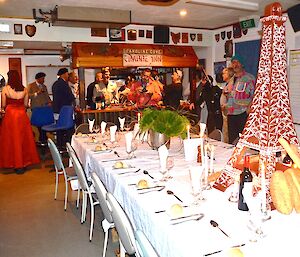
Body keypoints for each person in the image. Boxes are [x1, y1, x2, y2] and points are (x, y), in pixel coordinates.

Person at [0, 70, 40, 174]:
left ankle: (12, 163)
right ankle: (23, 163)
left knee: (11, 140)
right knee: (23, 139)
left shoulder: (5, 89)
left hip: (10, 116)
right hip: (21, 115)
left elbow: (3, 105)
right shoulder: (25, 90)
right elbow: (26, 105)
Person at [226, 55, 255, 144]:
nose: (235, 65)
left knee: (243, 141)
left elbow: (255, 96)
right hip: (231, 114)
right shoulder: (231, 79)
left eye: (237, 62)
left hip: (242, 114)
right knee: (232, 141)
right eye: (233, 62)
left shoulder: (249, 78)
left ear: (242, 64)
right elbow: (231, 95)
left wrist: (249, 109)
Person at [52, 68, 75, 150]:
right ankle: (67, 146)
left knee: (59, 129)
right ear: (64, 74)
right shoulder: (64, 84)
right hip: (64, 110)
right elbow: (70, 97)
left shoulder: (55, 84)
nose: (68, 76)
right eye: (67, 74)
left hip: (56, 109)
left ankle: (59, 146)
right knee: (68, 129)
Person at [27, 72, 51, 144]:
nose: (43, 80)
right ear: (38, 79)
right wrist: (37, 93)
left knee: (44, 123)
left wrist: (49, 102)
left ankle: (43, 138)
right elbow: (28, 95)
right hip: (36, 107)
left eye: (44, 78)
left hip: (44, 107)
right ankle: (42, 138)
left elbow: (46, 96)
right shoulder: (31, 85)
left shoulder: (44, 86)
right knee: (38, 123)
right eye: (42, 78)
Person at [220, 67, 235, 143]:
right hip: (225, 111)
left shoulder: (231, 84)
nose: (222, 75)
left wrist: (225, 105)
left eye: (224, 73)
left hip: (228, 111)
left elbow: (232, 97)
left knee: (227, 132)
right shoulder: (228, 83)